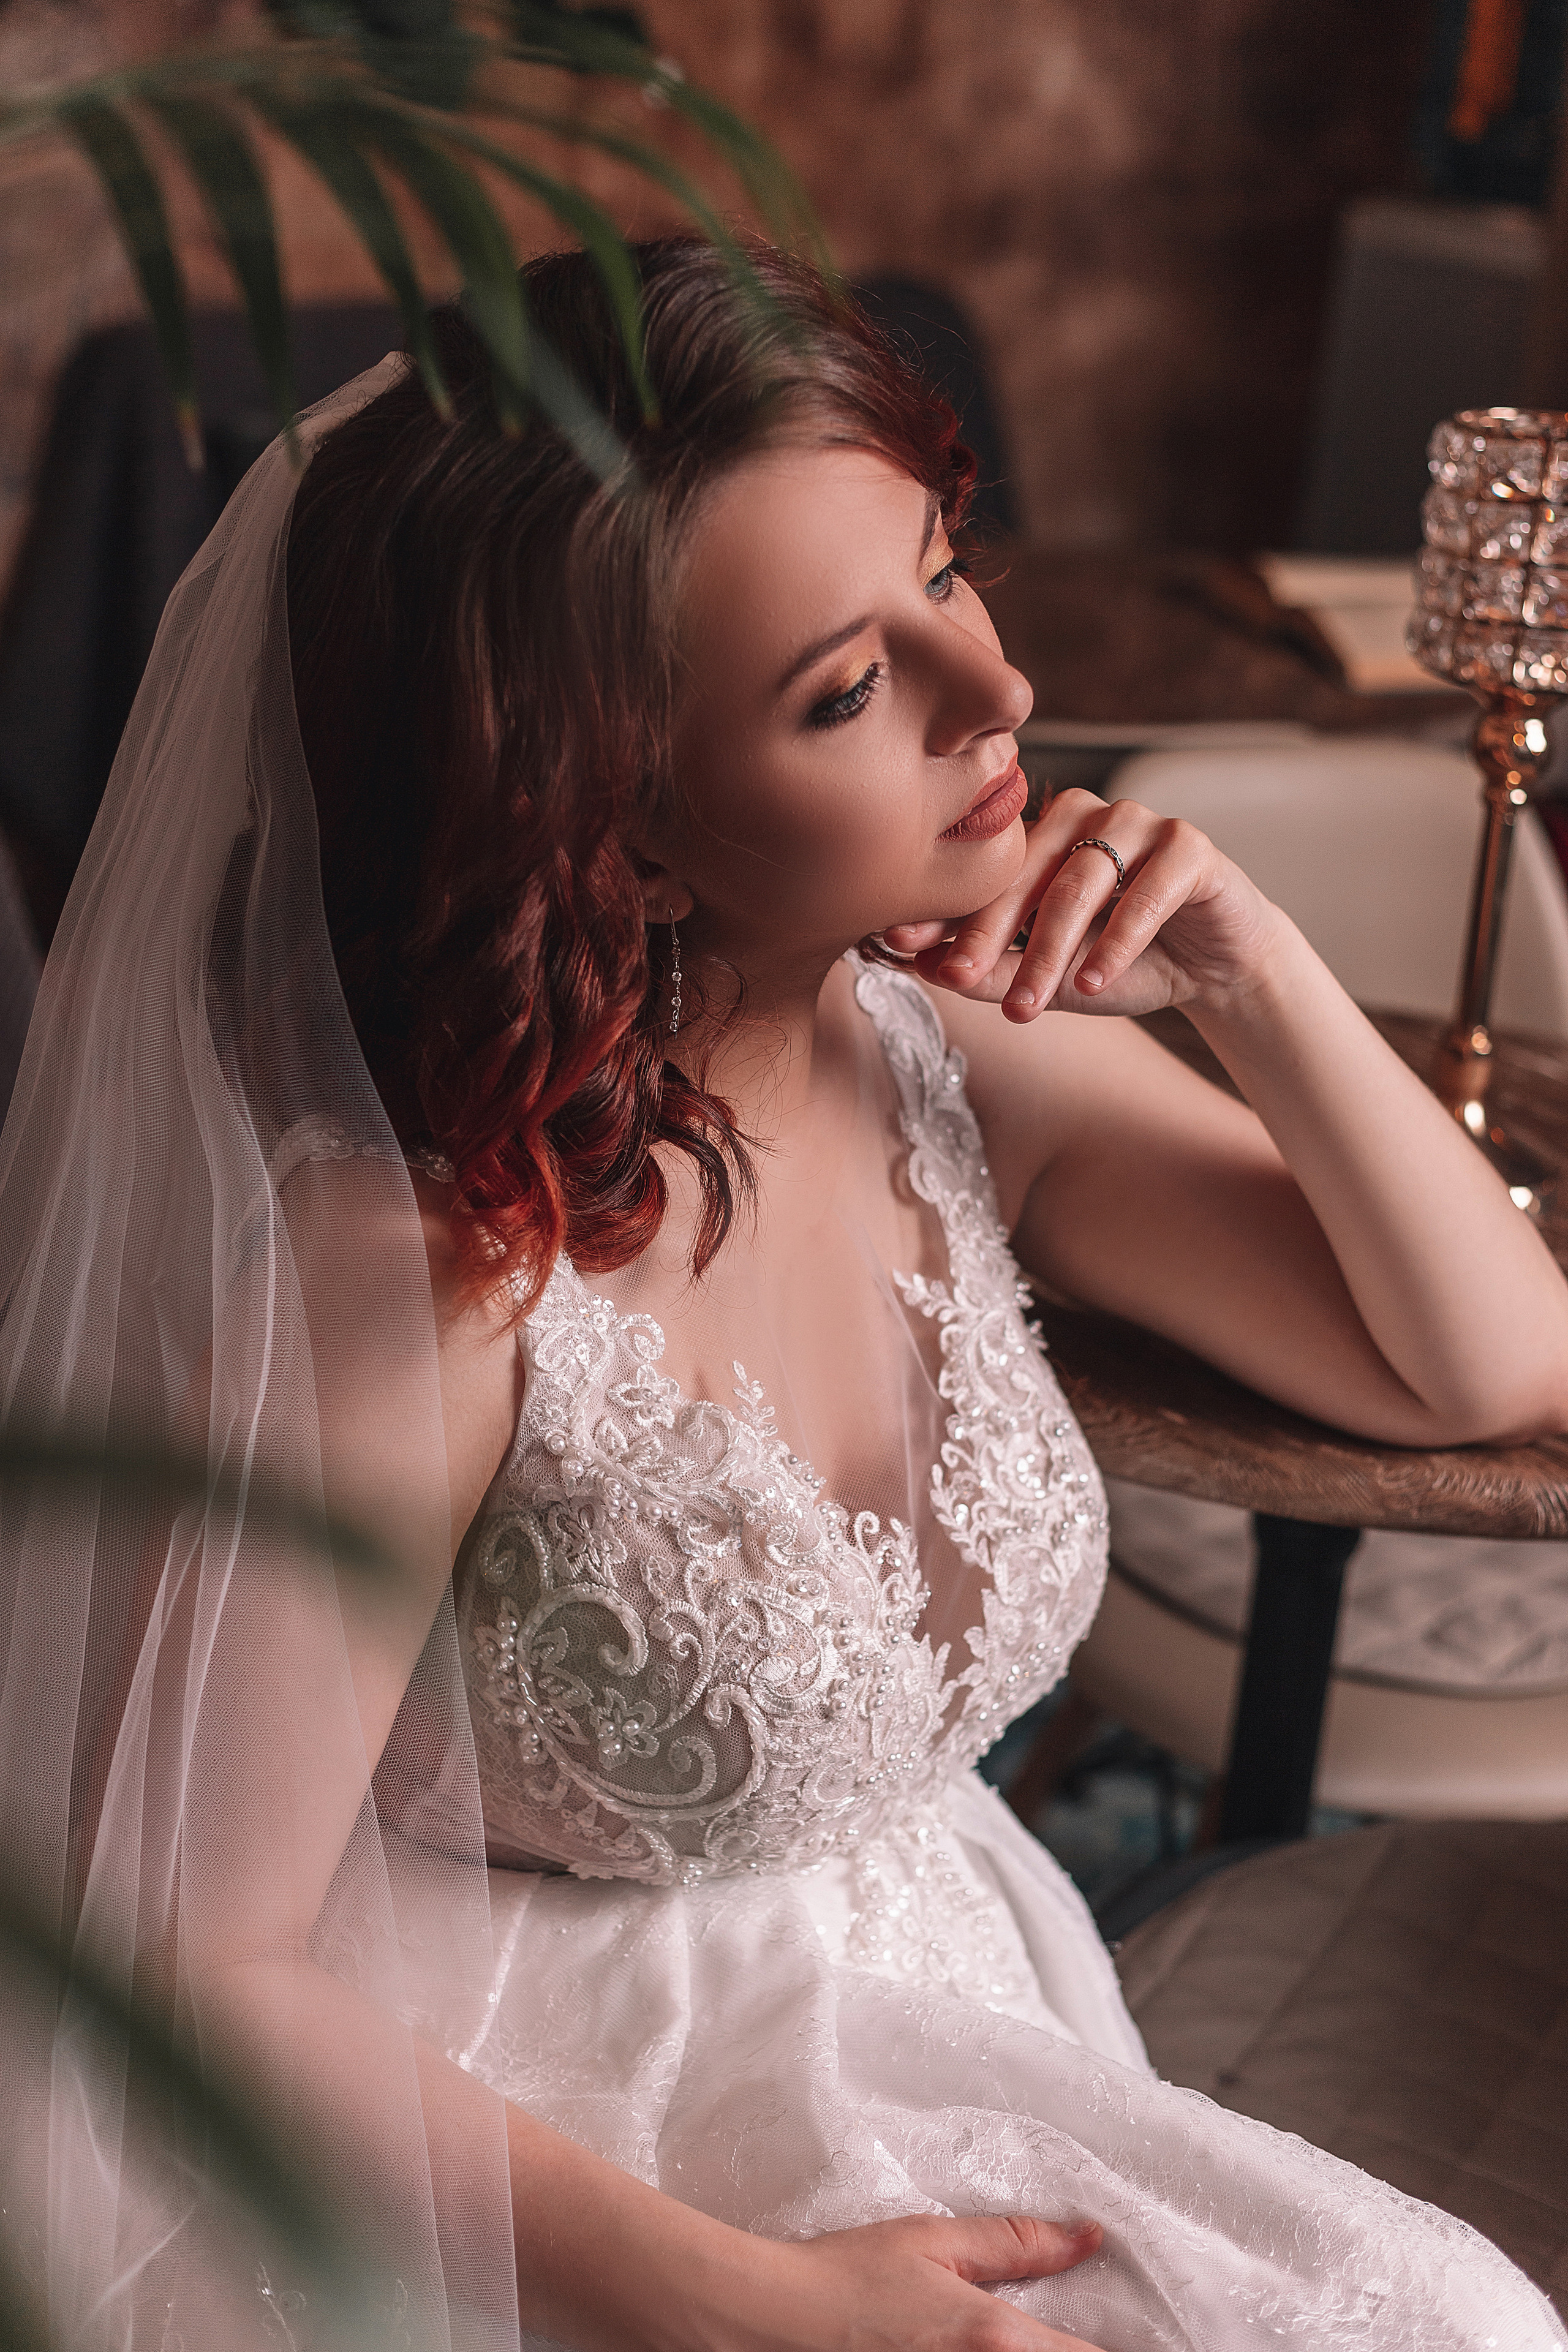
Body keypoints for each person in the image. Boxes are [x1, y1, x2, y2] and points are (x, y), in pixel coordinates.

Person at [2, 238, 1565, 2352]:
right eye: (846, 691)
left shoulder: (946, 1050)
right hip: (525, 2126)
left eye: (949, 573)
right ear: (622, 834)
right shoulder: (427, 1270)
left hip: (939, 2002)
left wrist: (1253, 973)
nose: (995, 697)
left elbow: (1486, 1364)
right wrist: (752, 2308)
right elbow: (189, 1966)